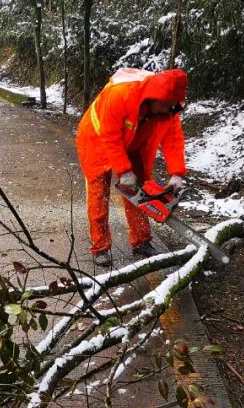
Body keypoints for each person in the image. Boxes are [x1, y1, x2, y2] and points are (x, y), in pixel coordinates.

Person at [75, 67, 189, 265]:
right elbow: (110, 136)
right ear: (156, 97)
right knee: (98, 194)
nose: (167, 110)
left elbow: (173, 140)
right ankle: (100, 247)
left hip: (134, 139)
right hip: (96, 138)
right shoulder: (121, 95)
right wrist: (123, 170)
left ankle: (141, 242)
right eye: (165, 105)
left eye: (171, 106)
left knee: (140, 191)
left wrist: (176, 174)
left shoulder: (169, 107)